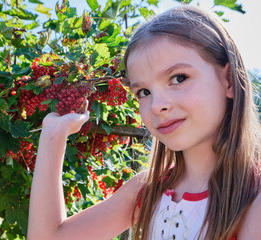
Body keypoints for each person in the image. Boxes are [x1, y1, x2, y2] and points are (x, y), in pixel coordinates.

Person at [27, 5, 261, 240]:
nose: (157, 104)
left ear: (228, 80)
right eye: (144, 92)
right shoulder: (146, 190)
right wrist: (52, 135)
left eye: (178, 78)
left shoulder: (253, 197)